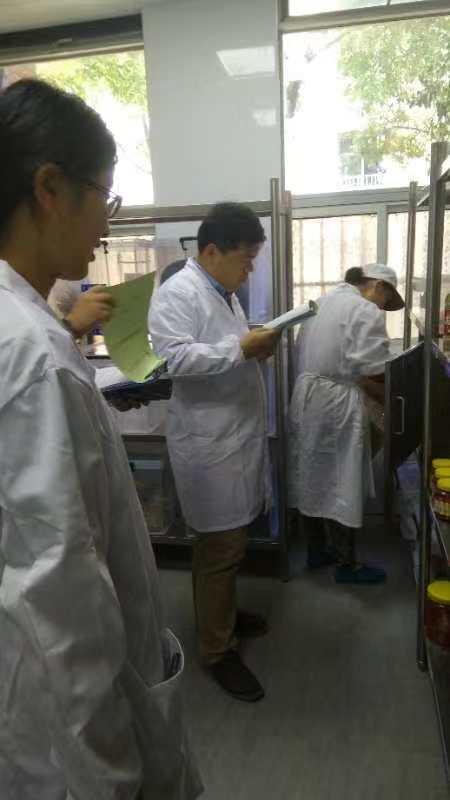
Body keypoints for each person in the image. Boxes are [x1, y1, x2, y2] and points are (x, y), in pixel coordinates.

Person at [0, 78, 201, 800]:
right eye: (104, 197)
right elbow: (63, 605)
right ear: (50, 188)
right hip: (66, 738)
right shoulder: (34, 356)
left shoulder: (25, 331)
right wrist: (111, 778)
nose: (106, 226)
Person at [149, 203, 280, 702]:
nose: (250, 269)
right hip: (210, 445)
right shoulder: (179, 292)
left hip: (234, 437)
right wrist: (242, 349)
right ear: (210, 252)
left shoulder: (223, 293)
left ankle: (221, 614)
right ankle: (217, 650)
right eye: (245, 258)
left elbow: (227, 349)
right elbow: (173, 358)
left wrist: (254, 345)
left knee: (231, 544)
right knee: (218, 550)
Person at [288, 263, 405, 585]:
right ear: (378, 286)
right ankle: (347, 565)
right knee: (344, 479)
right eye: (386, 299)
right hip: (335, 403)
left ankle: (316, 551)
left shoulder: (319, 303)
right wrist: (397, 396)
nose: (383, 307)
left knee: (311, 473)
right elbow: (373, 368)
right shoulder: (364, 309)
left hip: (306, 396)